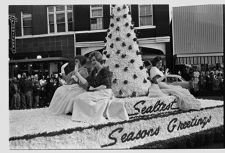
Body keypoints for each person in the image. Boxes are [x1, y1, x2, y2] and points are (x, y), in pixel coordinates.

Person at [71, 51, 114, 123]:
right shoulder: (94, 71)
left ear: (99, 59)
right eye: (91, 60)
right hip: (97, 91)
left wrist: (94, 89)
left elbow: (105, 86)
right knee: (78, 98)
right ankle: (84, 116)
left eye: (94, 60)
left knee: (81, 98)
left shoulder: (105, 70)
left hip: (105, 91)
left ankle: (90, 116)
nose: (93, 62)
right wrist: (77, 75)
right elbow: (87, 82)